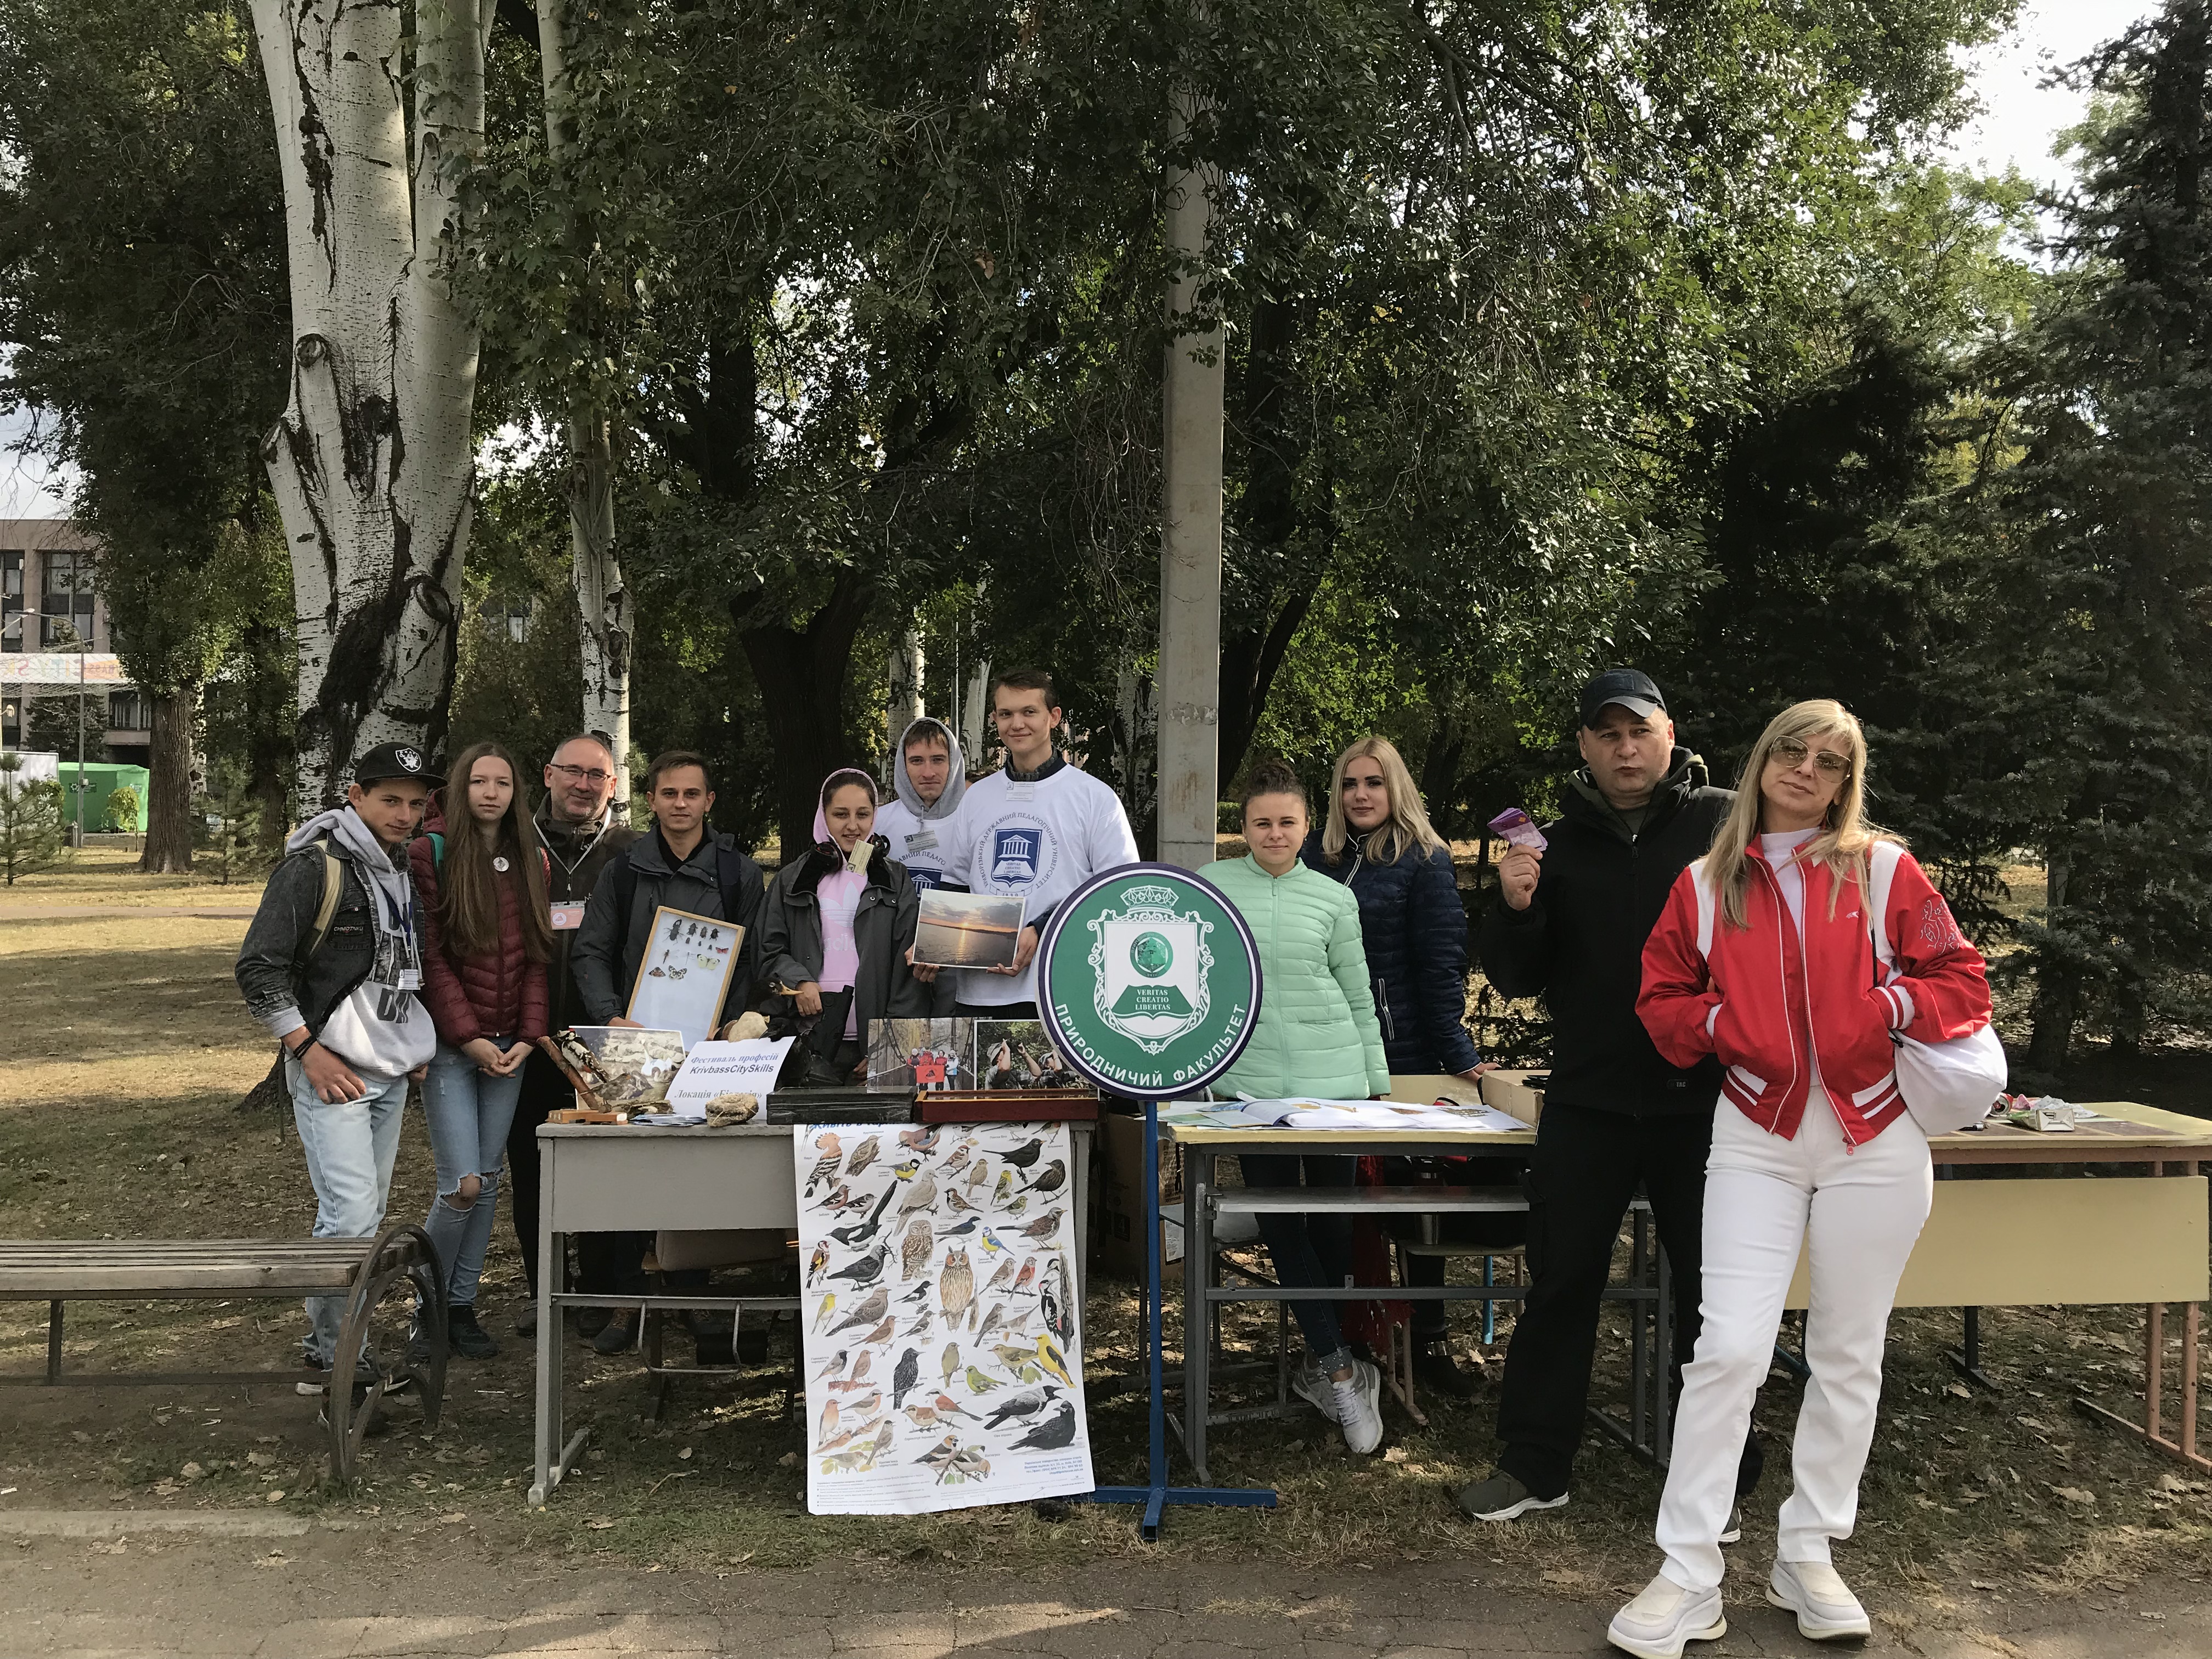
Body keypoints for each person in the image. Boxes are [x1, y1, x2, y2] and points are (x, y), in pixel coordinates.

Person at [1608, 699, 1992, 1658]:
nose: (1806, 769)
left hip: (1876, 1133)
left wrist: (1887, 1003)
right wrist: (1722, 1026)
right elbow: (1660, 999)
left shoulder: (1884, 869)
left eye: (1830, 761)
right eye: (1792, 749)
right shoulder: (1705, 882)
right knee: (1729, 1348)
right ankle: (1687, 1572)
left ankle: (1809, 1553)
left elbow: (1962, 980)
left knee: (1848, 1352)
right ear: (1762, 759)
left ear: (1844, 782)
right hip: (1757, 1133)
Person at [1460, 669, 1748, 1524]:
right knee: (1560, 1282)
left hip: (1706, 1101)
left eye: (1640, 732)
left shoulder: (1725, 822)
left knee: (1712, 1295)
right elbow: (1517, 977)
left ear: (1670, 735)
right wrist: (1516, 907)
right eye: (1608, 735)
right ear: (1585, 747)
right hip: (1588, 1100)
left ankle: (1714, 1478)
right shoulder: (1551, 847)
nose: (1626, 750)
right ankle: (1535, 1465)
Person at [1203, 759, 1392, 1455]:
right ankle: (1341, 1373)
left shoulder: (1333, 898)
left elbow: (1357, 990)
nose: (1275, 834)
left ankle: (1328, 1359)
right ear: (1243, 828)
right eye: (1262, 823)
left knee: (1334, 1226)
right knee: (1283, 1223)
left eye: (1287, 822)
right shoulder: (1212, 888)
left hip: (1334, 1086)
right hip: (1249, 1088)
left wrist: (1376, 1079)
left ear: (1308, 825)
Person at [234, 742, 436, 1389]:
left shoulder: (399, 870)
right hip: (332, 1070)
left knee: (362, 1220)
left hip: (387, 1071)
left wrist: (409, 1046)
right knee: (350, 1218)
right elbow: (258, 967)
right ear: (356, 796)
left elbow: (399, 972)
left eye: (415, 804)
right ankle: (335, 1361)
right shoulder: (313, 867)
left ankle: (335, 1351)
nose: (404, 814)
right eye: (390, 800)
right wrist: (307, 1051)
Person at [1302, 735, 1499, 1397]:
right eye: (1349, 783)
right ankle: (1345, 1343)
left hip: (1402, 1053)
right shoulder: (1315, 856)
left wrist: (1457, 1053)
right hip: (1322, 1054)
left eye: (1374, 782)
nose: (1361, 795)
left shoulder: (1425, 859)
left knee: (1415, 1201)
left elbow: (1441, 963)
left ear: (1397, 789)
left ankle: (1429, 1341)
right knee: (1336, 1202)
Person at [571, 749, 765, 1355]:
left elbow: (753, 958)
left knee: (697, 1171)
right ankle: (629, 1301)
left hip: (709, 1049)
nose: (681, 804)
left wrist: (730, 1025)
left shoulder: (739, 874)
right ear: (651, 800)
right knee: (631, 1171)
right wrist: (611, 1016)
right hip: (634, 1045)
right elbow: (591, 951)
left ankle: (692, 1295)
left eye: (692, 794)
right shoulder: (623, 872)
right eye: (669, 794)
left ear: (710, 801)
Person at [407, 742, 551, 1362]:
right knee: (461, 1185)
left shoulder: (531, 858)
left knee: (489, 1181)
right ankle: (426, 1307)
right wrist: (468, 1037)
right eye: (479, 782)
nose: (491, 793)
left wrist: (528, 1037)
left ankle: (460, 1308)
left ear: (516, 793)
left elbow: (537, 956)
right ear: (460, 789)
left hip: (510, 1049)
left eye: (503, 783)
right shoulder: (430, 852)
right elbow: (430, 957)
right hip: (451, 1047)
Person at [507, 733, 640, 1339]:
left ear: (612, 786)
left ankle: (601, 1292)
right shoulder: (513, 843)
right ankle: (546, 1293)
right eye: (573, 772)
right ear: (548, 774)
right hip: (527, 1037)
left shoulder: (629, 852)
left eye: (597, 776)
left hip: (605, 1040)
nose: (584, 785)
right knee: (533, 1167)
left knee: (606, 1169)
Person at [937, 668, 1138, 1017]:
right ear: (995, 719)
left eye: (1029, 712)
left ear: (1054, 717)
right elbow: (956, 885)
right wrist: (935, 943)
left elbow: (1118, 891)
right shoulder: (976, 797)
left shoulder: (1095, 797)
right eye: (1006, 714)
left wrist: (1043, 928)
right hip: (981, 992)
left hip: (1062, 989)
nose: (1017, 724)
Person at [758, 769, 935, 1079]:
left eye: (862, 815)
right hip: (805, 1042)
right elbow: (768, 950)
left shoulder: (895, 879)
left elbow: (909, 967)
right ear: (823, 815)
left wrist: (889, 1044)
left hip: (873, 1047)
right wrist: (798, 982)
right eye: (841, 814)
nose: (853, 826)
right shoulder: (791, 880)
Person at [873, 716, 967, 891]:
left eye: (938, 760)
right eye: (917, 761)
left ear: (953, 763)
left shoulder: (974, 823)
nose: (928, 773)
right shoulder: (877, 823)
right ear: (903, 765)